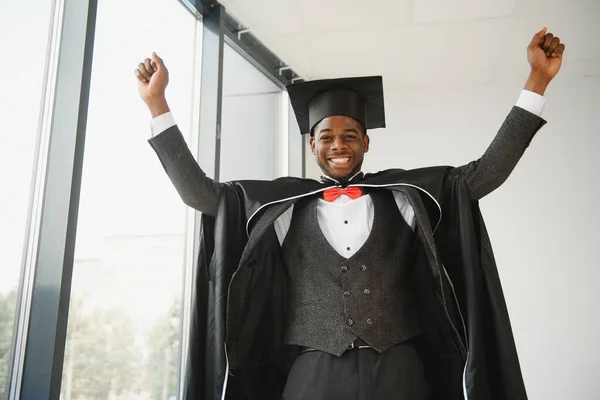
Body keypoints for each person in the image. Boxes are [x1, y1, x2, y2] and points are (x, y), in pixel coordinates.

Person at [135, 28, 565, 400]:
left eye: (350, 136)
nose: (338, 145)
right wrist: (158, 105)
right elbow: (200, 194)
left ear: (365, 143)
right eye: (327, 137)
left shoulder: (405, 198)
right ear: (312, 145)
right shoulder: (281, 209)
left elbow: (484, 174)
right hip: (312, 374)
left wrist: (537, 81)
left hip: (400, 372)